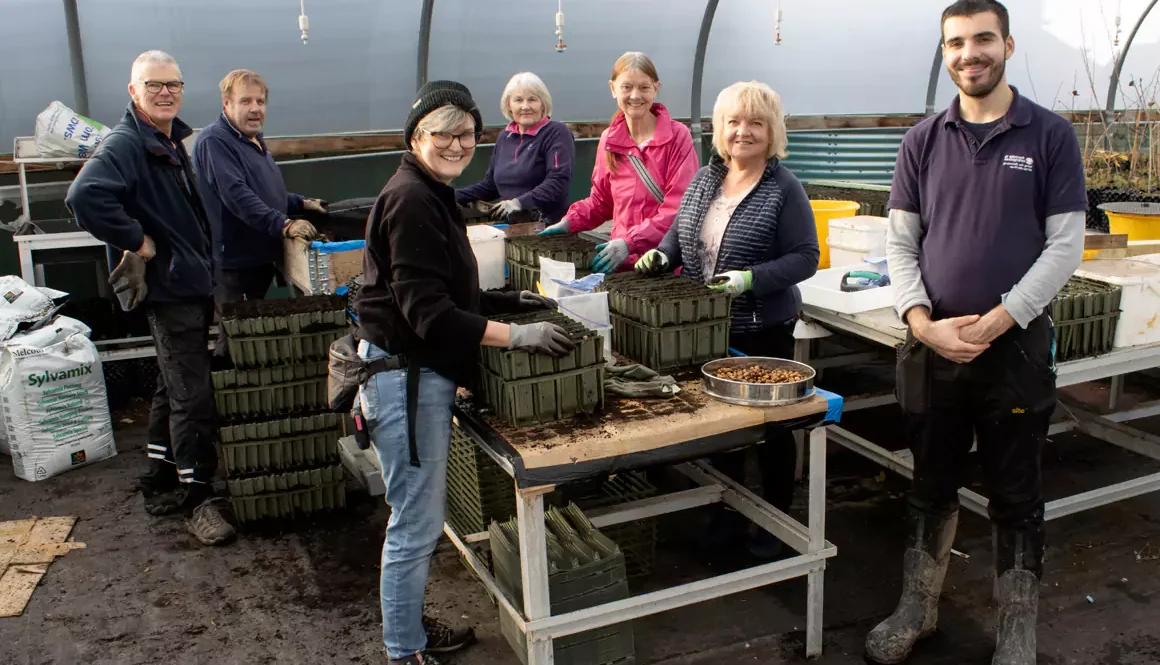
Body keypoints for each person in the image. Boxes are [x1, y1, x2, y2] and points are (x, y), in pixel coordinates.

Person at [864, 2, 1086, 664]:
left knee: (1016, 492)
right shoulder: (922, 140)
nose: (970, 53)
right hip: (934, 351)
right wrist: (921, 323)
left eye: (983, 39)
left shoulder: (1048, 136)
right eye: (956, 42)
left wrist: (1000, 317)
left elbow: (1065, 245)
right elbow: (900, 244)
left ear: (1008, 45)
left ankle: (1017, 625)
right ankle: (918, 606)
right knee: (930, 482)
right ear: (946, 51)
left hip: (1013, 348)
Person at [353, 80, 574, 665]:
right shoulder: (411, 200)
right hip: (405, 381)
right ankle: (404, 651)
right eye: (443, 133)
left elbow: (447, 290)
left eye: (467, 134)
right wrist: (517, 336)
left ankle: (409, 628)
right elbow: (428, 315)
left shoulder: (432, 192)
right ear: (416, 136)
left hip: (416, 374)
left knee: (418, 516)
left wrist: (506, 302)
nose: (456, 144)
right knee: (414, 522)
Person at [635, 81, 818, 558]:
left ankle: (776, 522)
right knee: (723, 430)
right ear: (719, 129)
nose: (743, 132)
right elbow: (680, 231)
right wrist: (660, 254)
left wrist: (750, 280)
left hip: (763, 328)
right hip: (707, 327)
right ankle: (728, 515)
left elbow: (805, 257)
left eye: (756, 122)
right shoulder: (705, 179)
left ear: (772, 130)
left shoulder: (783, 188)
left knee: (771, 430)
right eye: (733, 122)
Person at [65, 50, 235, 546]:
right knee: (192, 394)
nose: (166, 93)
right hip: (170, 290)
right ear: (133, 90)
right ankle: (198, 497)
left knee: (170, 380)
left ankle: (162, 473)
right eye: (154, 85)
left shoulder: (167, 138)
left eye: (173, 84)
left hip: (189, 283)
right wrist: (135, 239)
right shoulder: (125, 143)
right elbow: (84, 197)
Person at [192, 69, 325, 358]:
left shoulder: (253, 140)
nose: (255, 109)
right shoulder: (215, 141)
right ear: (226, 104)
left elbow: (263, 193)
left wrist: (300, 203)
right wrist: (284, 224)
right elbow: (237, 195)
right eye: (245, 101)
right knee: (236, 338)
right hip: (234, 266)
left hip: (258, 261)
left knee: (252, 336)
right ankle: (227, 394)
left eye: (260, 101)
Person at [539, 51, 698, 274]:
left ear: (656, 88)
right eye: (626, 87)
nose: (635, 95)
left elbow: (679, 208)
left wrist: (629, 242)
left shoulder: (677, 137)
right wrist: (568, 223)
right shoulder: (609, 140)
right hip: (620, 264)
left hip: (664, 262)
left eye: (644, 87)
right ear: (613, 88)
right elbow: (601, 201)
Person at [455, 72, 575, 223]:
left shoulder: (557, 132)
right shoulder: (505, 137)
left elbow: (558, 182)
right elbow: (491, 185)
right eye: (518, 100)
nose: (525, 106)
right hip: (511, 225)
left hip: (548, 226)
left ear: (543, 104)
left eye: (532, 99)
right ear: (509, 106)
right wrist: (450, 195)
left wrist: (519, 203)